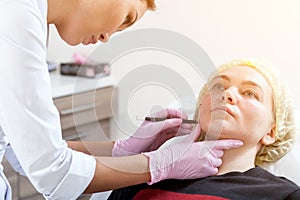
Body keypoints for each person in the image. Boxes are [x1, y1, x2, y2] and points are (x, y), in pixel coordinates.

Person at [0, 0, 243, 199]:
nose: (107, 38)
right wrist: (159, 164)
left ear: (272, 131)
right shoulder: (14, 17)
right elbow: (52, 170)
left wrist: (120, 151)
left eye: (251, 93)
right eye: (126, 18)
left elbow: (20, 149)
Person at [108, 59, 300, 200]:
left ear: (271, 133)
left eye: (250, 93)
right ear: (201, 109)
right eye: (218, 86)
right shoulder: (146, 176)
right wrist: (130, 156)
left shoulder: (284, 194)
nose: (226, 94)